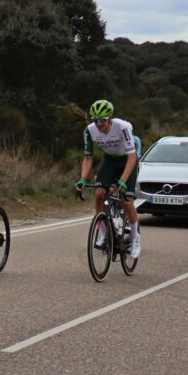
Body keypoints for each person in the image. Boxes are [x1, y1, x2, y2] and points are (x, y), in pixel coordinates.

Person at [75, 99, 141, 259]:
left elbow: (132, 157)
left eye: (103, 120)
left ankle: (135, 237)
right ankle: (103, 231)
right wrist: (83, 178)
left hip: (127, 159)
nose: (99, 124)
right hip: (110, 160)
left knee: (127, 201)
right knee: (99, 194)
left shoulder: (122, 127)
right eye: (95, 120)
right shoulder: (89, 130)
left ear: (110, 118)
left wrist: (123, 181)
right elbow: (88, 157)